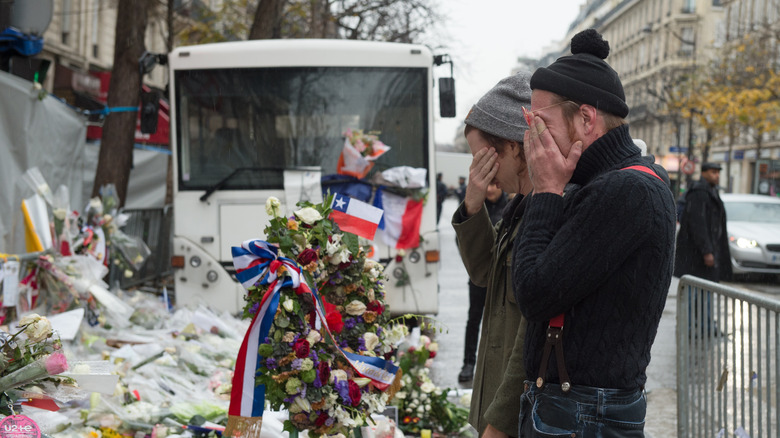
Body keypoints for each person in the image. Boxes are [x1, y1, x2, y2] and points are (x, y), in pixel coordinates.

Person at [512, 29, 676, 437]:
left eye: (542, 123)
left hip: (584, 414)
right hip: (575, 408)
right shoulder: (600, 184)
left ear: (586, 118)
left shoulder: (626, 190)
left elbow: (531, 292)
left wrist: (546, 190)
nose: (533, 137)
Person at [451, 72, 534, 438]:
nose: (482, 173)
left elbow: (530, 335)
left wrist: (497, 423)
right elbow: (484, 271)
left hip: (513, 418)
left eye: (483, 158)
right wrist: (473, 202)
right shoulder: (519, 208)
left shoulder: (544, 213)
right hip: (496, 405)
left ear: (513, 147)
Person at [674, 162, 731, 337]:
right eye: (713, 172)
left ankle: (705, 326)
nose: (717, 176)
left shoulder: (710, 192)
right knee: (693, 292)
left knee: (705, 291)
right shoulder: (699, 193)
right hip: (696, 255)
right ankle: (689, 329)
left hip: (704, 253)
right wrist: (707, 251)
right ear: (704, 173)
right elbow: (698, 224)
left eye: (718, 172)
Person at [458, 183, 507, 383]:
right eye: (488, 185)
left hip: (503, 277)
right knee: (474, 319)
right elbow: (463, 238)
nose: (490, 190)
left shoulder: (511, 207)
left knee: (502, 321)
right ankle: (469, 363)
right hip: (479, 277)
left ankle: (499, 369)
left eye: (495, 185)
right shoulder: (477, 207)